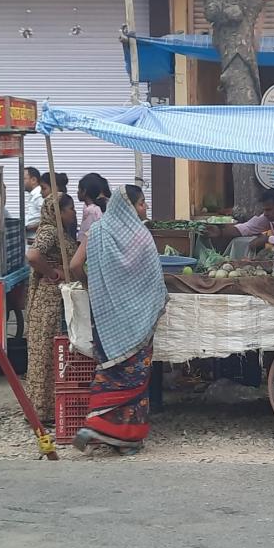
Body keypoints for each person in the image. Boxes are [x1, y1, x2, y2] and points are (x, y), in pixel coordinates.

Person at [69, 184, 165, 454]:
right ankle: (127, 439)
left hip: (106, 319)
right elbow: (155, 281)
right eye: (142, 203)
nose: (145, 208)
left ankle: (97, 422)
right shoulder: (142, 236)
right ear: (129, 207)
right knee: (135, 378)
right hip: (138, 321)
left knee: (110, 372)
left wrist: (92, 286)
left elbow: (74, 265)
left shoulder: (96, 231)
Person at [24, 194, 78, 423]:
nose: (74, 213)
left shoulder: (60, 232)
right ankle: (42, 411)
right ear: (58, 212)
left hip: (57, 300)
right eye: (70, 208)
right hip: (49, 301)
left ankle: (49, 408)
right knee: (46, 353)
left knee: (51, 353)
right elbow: (33, 255)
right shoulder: (50, 231)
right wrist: (52, 273)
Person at [208, 189, 274, 252]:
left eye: (269, 209)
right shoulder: (269, 217)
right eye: (264, 210)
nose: (265, 213)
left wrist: (267, 239)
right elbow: (248, 227)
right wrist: (220, 232)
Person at [77, 173, 111, 242]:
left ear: (84, 191)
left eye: (79, 189)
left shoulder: (91, 211)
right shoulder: (102, 207)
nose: (77, 192)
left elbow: (84, 235)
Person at [23, 167, 43, 244]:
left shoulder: (39, 195)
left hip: (36, 239)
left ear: (34, 180)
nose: (21, 182)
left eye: (24, 179)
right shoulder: (34, 195)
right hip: (31, 238)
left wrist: (28, 228)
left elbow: (48, 218)